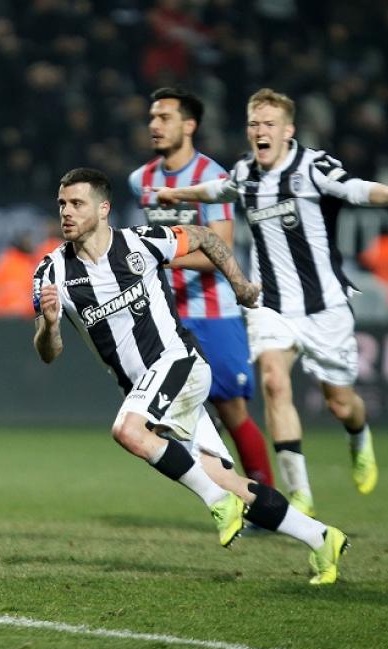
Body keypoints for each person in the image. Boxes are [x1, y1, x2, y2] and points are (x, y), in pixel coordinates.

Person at [34, 167, 349, 585]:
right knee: (230, 481)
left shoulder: (141, 242)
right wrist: (51, 326)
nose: (66, 212)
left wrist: (240, 284)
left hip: (179, 362)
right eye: (62, 204)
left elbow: (206, 237)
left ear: (103, 208)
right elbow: (48, 353)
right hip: (149, 391)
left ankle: (217, 502)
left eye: (77, 203)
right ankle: (322, 538)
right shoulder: (51, 273)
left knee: (128, 430)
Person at [156, 88, 388, 516]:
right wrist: (181, 195)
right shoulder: (246, 171)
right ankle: (300, 494)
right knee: (274, 381)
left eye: (269, 124)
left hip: (325, 307)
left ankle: (359, 434)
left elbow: (357, 190)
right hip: (270, 304)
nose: (260, 132)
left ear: (288, 131)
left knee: (340, 403)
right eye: (254, 124)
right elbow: (222, 190)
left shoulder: (313, 167)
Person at [129, 87, 274, 487]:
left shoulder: (213, 178)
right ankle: (223, 494)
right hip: (168, 318)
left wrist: (158, 258)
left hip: (214, 314)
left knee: (232, 411)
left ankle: (268, 501)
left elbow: (219, 250)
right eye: (152, 117)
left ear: (189, 125)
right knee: (175, 420)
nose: (154, 125)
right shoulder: (141, 180)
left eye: (165, 117)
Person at [0, 232, 37, 318]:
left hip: (24, 315)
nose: (31, 244)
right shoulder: (7, 263)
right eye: (27, 241)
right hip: (8, 315)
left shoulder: (29, 262)